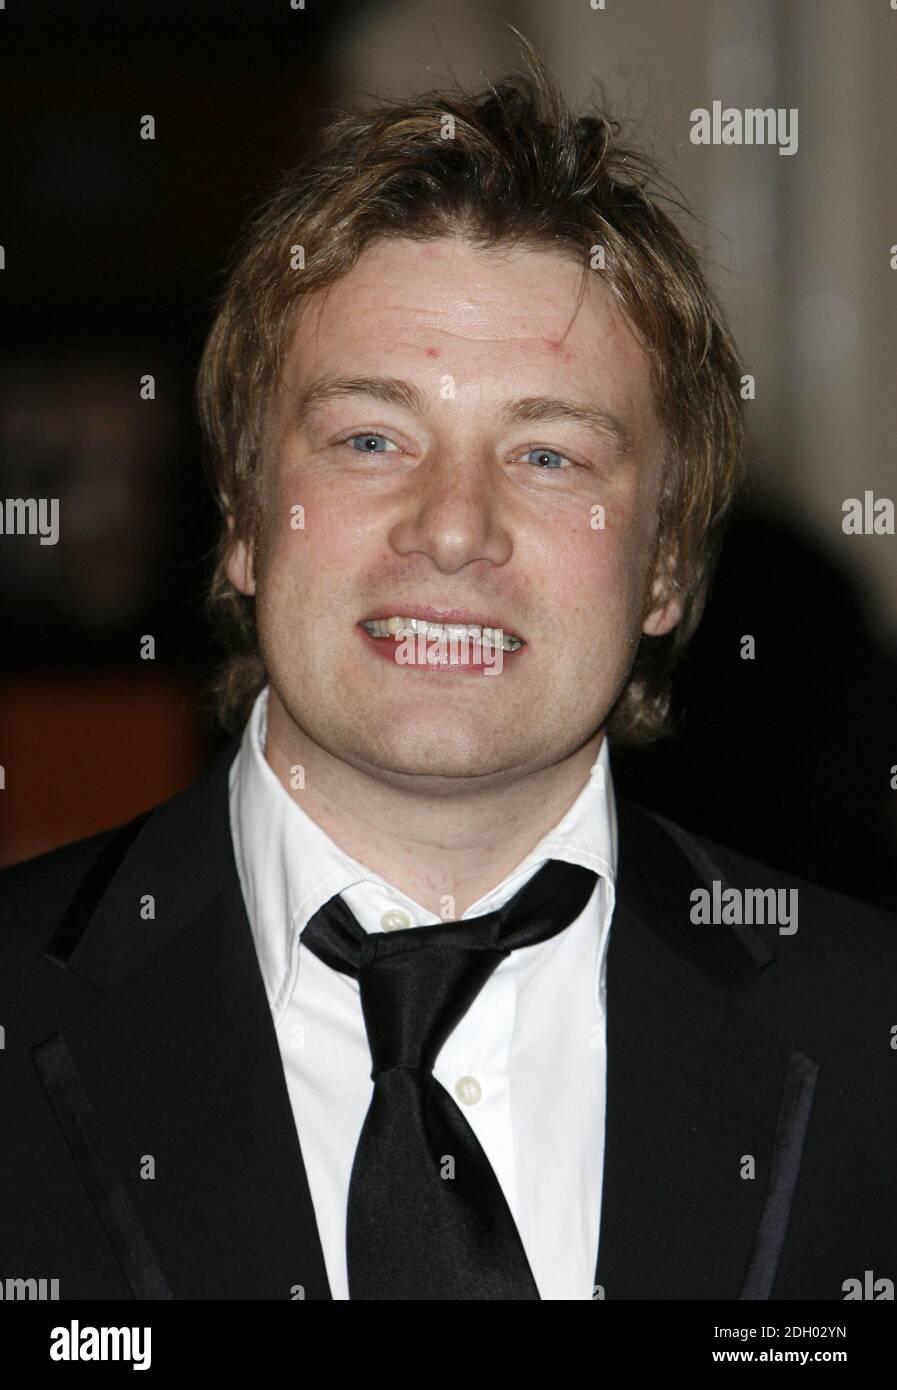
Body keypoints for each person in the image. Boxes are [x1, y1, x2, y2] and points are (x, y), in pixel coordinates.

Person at [2, 49, 895, 1303]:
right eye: (372, 437)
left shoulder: (870, 1042)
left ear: (667, 565)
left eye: (547, 456)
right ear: (245, 521)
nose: (455, 526)